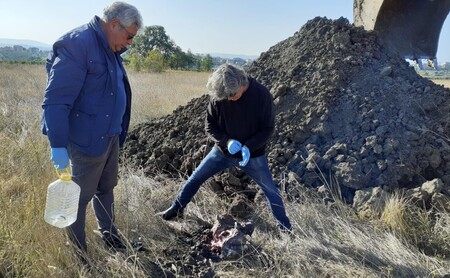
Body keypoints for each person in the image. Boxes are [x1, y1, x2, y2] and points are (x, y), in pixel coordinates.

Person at [41, 2, 143, 253]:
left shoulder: (110, 48)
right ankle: (78, 252)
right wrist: (57, 145)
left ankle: (110, 237)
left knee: (106, 189)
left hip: (110, 136)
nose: (130, 42)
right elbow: (56, 100)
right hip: (86, 140)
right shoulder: (78, 44)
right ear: (114, 24)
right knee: (78, 198)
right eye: (129, 36)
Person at [158, 63, 292, 231]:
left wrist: (249, 147)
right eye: (225, 97)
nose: (229, 99)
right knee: (195, 178)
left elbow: (268, 128)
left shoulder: (261, 95)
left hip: (252, 155)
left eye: (232, 95)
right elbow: (210, 125)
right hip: (221, 152)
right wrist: (226, 141)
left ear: (242, 83)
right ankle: (176, 209)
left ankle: (285, 229)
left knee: (271, 191)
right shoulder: (219, 95)